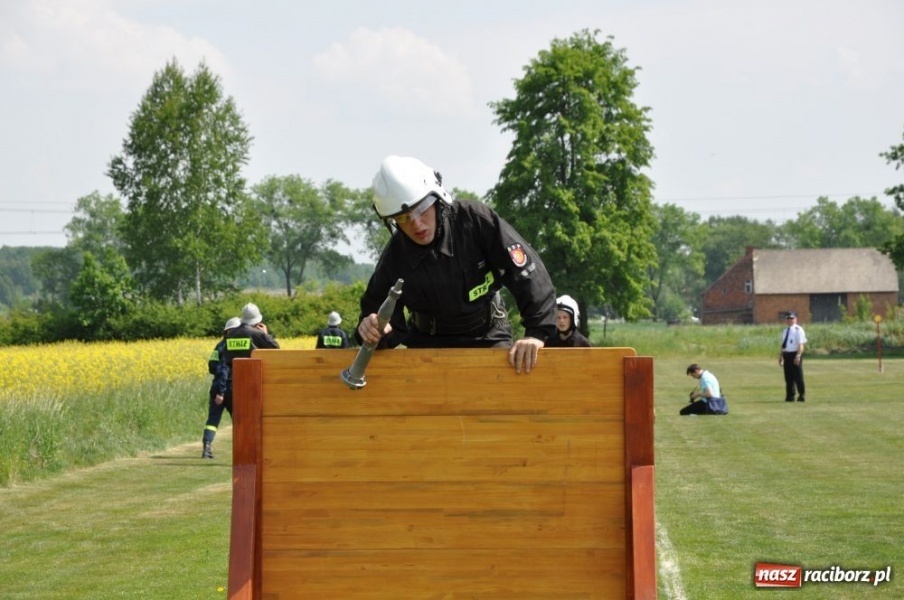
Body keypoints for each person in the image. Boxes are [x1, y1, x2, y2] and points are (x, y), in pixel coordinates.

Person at [356, 155, 556, 373]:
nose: (416, 224)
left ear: (437, 199)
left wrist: (536, 334)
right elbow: (379, 319)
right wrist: (374, 330)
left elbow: (527, 271)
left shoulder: (476, 220)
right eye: (403, 218)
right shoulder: (395, 255)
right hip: (426, 344)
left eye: (421, 209)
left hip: (489, 336)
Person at [207, 303, 280, 459]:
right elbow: (275, 350)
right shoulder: (256, 333)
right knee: (252, 420)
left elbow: (223, 364)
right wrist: (265, 334)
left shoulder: (231, 336)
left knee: (240, 419)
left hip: (234, 384)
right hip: (252, 384)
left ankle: (242, 452)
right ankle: (252, 452)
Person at [201, 316, 241, 459]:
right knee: (239, 421)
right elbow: (223, 369)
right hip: (233, 389)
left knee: (212, 420)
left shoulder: (219, 345)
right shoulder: (241, 346)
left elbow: (212, 366)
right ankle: (242, 451)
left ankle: (206, 448)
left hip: (218, 387)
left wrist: (219, 390)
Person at [778, 311, 807, 402]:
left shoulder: (798, 330)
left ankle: (801, 395)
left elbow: (801, 344)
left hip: (795, 354)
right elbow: (783, 345)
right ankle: (790, 396)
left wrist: (798, 356)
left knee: (798, 377)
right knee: (788, 378)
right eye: (788, 318)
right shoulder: (785, 331)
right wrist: (781, 356)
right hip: (787, 355)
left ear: (795, 319)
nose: (790, 320)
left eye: (792, 318)